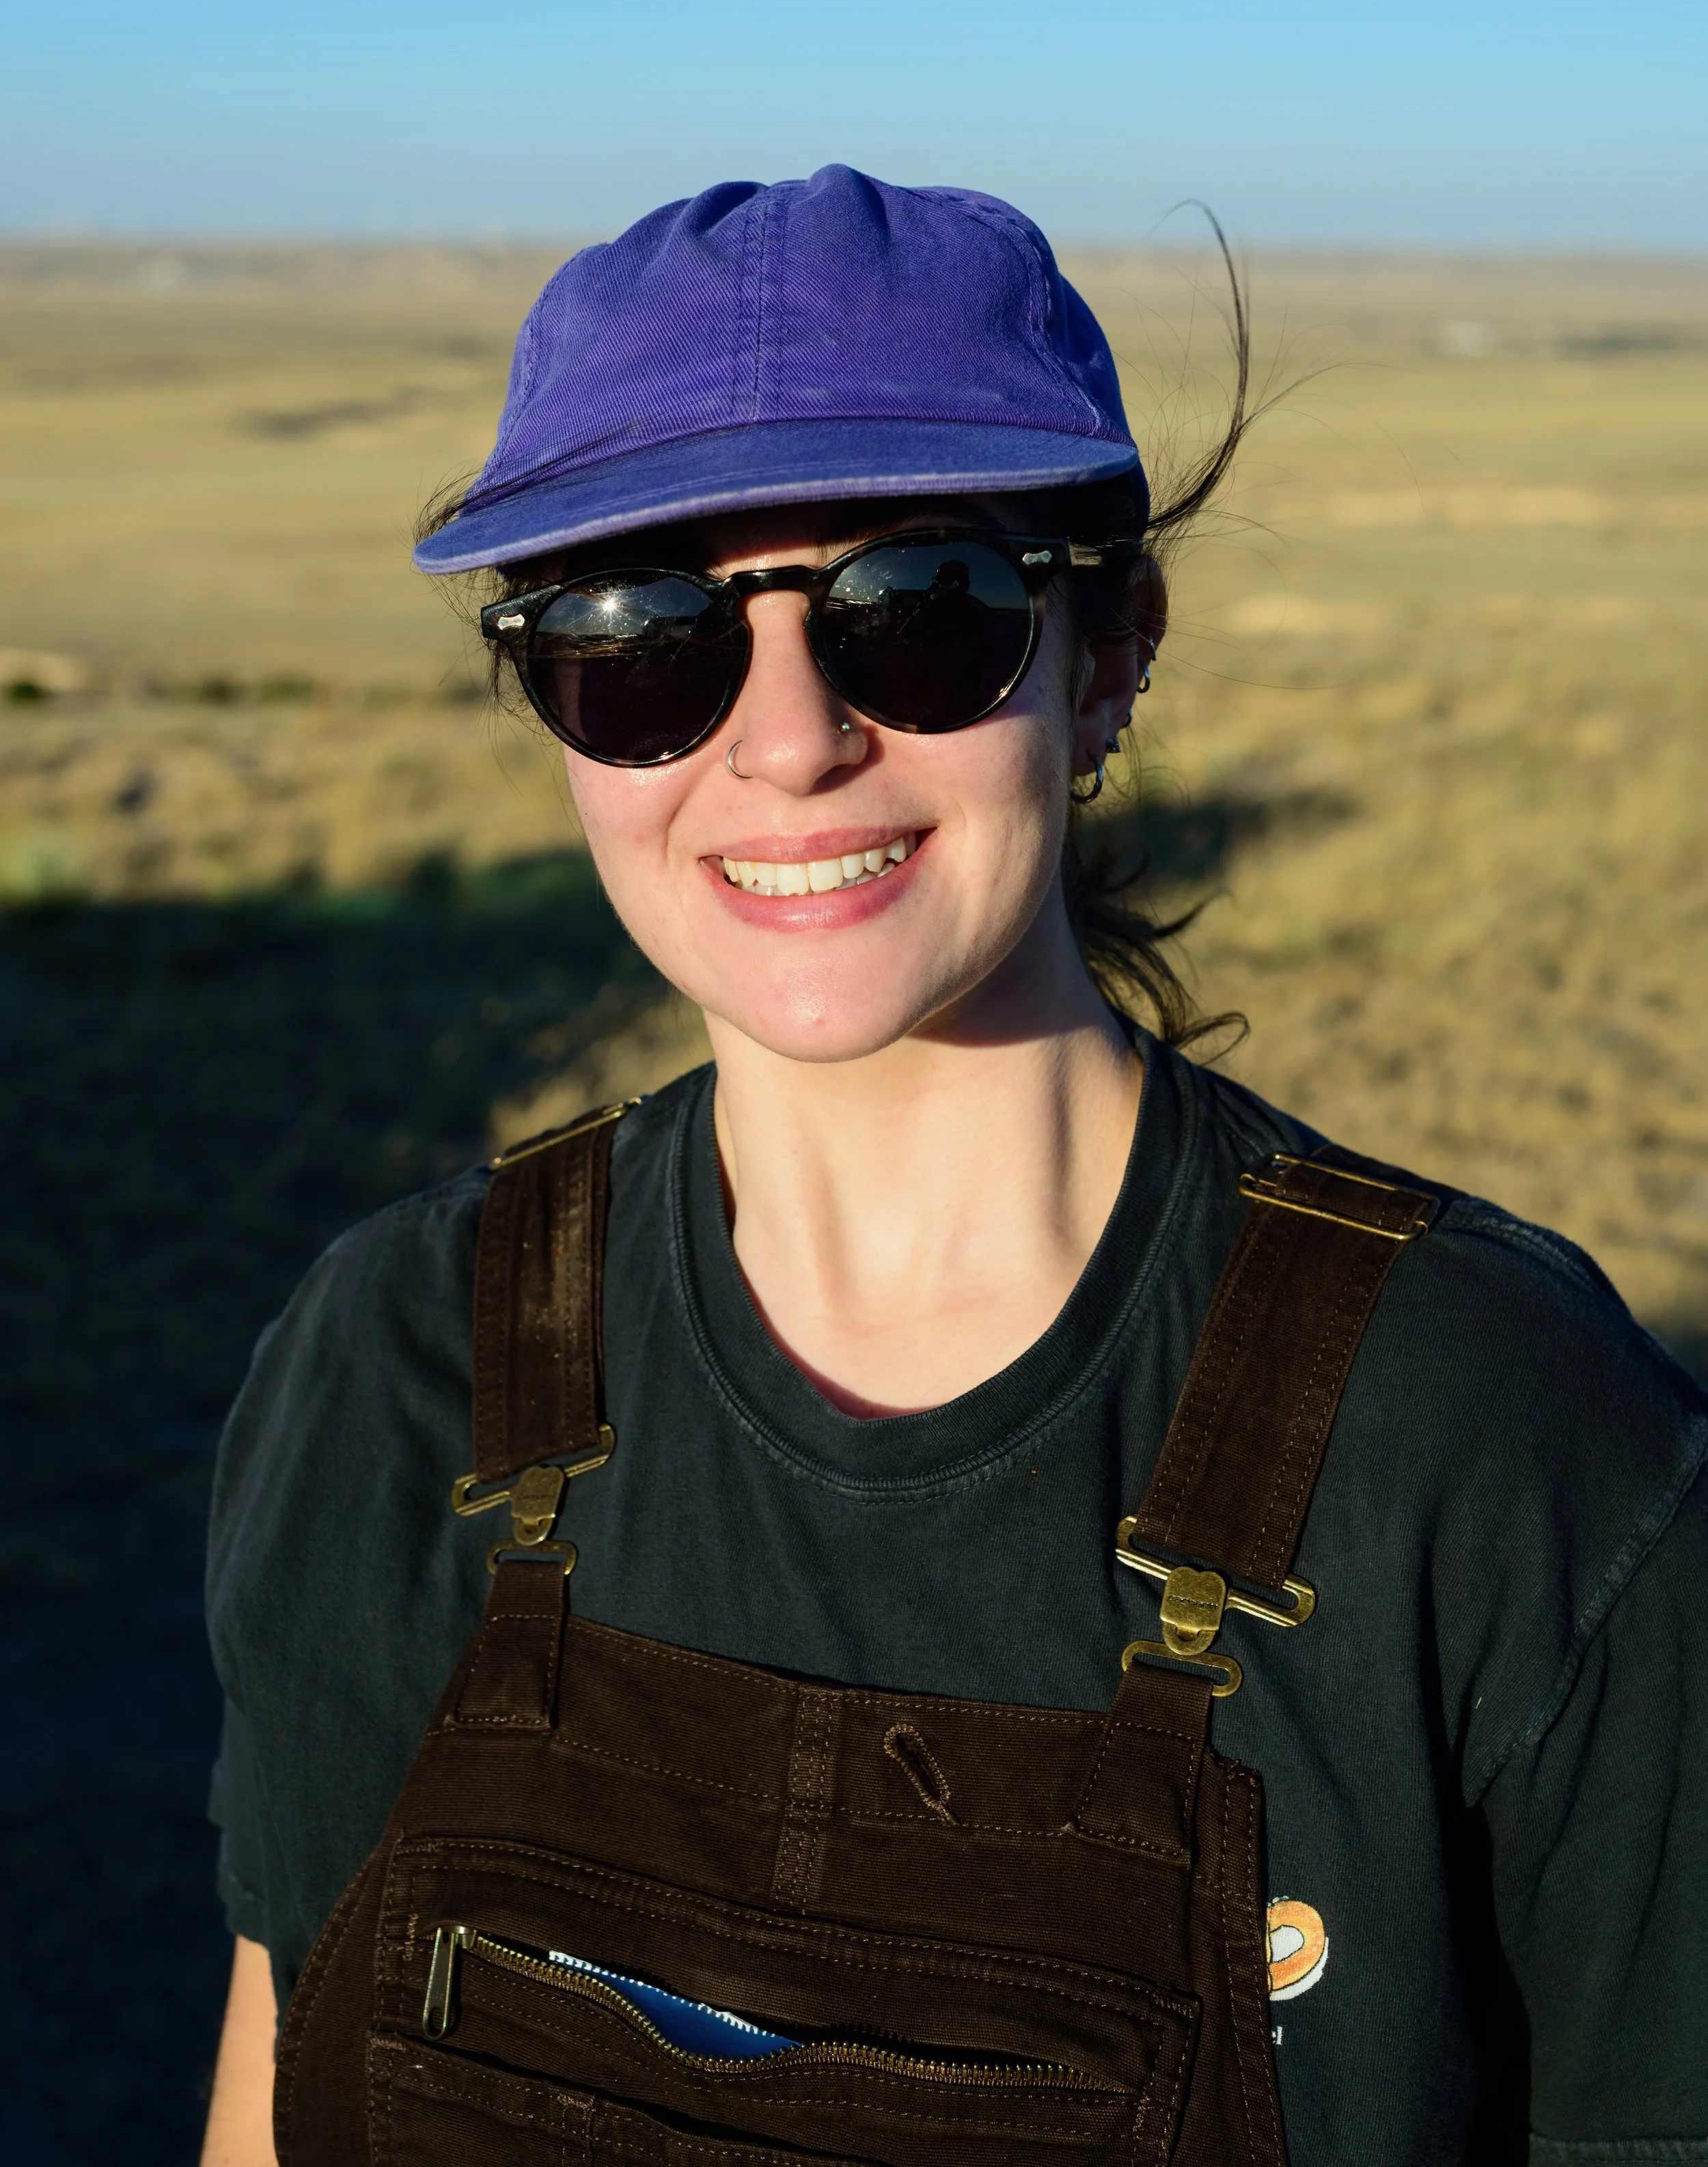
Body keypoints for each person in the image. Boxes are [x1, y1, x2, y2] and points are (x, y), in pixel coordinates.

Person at [200, 166, 1708, 2167]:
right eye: (639, 640)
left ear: (1106, 657)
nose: (787, 740)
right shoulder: (403, 1359)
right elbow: (274, 2096)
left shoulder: (1500, 1445)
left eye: (922, 612)